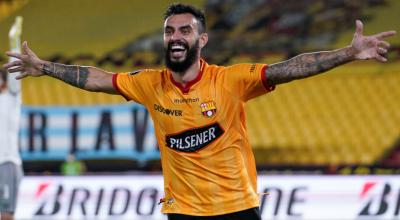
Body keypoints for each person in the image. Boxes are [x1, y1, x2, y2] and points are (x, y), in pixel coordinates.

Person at [2, 3, 396, 220]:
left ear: (201, 39)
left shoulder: (231, 80)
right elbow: (97, 78)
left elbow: (292, 67)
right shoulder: (149, 83)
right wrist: (45, 67)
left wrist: (347, 54)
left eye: (184, 30)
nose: (175, 37)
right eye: (170, 31)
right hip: (183, 212)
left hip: (237, 209)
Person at [0, 17, 24, 220]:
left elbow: (14, 73)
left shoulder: (11, 96)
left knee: (6, 215)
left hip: (6, 163)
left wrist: (13, 41)